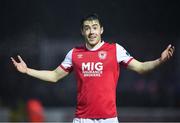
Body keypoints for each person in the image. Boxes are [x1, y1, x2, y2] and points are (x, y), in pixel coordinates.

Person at [11, 14, 175, 123]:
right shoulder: (74, 53)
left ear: (101, 30)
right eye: (87, 28)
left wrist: (159, 61)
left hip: (109, 119)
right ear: (82, 31)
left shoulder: (115, 50)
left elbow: (140, 67)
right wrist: (27, 70)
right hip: (83, 119)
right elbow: (54, 76)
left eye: (95, 27)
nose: (92, 31)